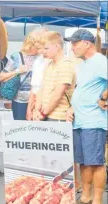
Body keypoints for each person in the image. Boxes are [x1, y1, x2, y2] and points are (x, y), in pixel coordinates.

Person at [65, 29, 107, 204]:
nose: (72, 47)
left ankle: (97, 200)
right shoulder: (84, 64)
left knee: (96, 162)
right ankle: (86, 196)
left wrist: (104, 97)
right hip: (79, 121)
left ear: (87, 43)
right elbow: (83, 90)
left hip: (93, 120)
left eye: (75, 43)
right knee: (83, 161)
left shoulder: (99, 61)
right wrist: (71, 107)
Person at [33, 31, 76, 122]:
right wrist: (37, 110)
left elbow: (57, 95)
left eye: (46, 48)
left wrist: (42, 114)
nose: (43, 52)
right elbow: (42, 89)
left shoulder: (65, 65)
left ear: (57, 47)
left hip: (58, 117)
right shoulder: (49, 64)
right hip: (45, 115)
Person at [0, 31, 38, 120]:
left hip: (37, 101)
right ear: (31, 43)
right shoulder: (17, 56)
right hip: (20, 101)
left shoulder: (42, 57)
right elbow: (1, 77)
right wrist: (17, 71)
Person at [26, 27, 49, 120]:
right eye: (34, 42)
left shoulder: (50, 61)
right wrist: (29, 109)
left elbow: (46, 87)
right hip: (36, 104)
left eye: (37, 42)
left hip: (45, 105)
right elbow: (33, 87)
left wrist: (38, 110)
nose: (35, 44)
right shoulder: (38, 61)